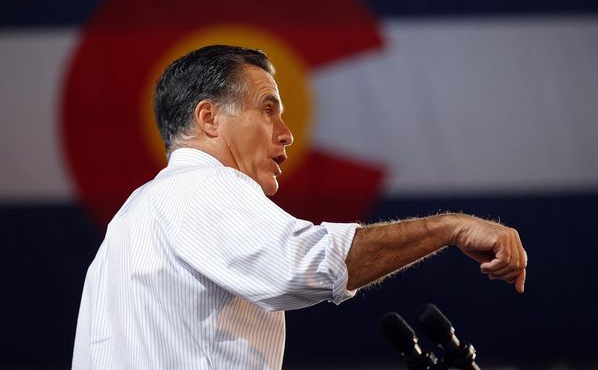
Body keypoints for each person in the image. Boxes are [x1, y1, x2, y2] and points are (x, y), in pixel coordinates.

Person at [72, 45, 527, 369]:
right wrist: (448, 227)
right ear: (208, 118)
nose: (286, 132)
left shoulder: (137, 213)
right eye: (268, 109)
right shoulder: (200, 186)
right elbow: (302, 265)